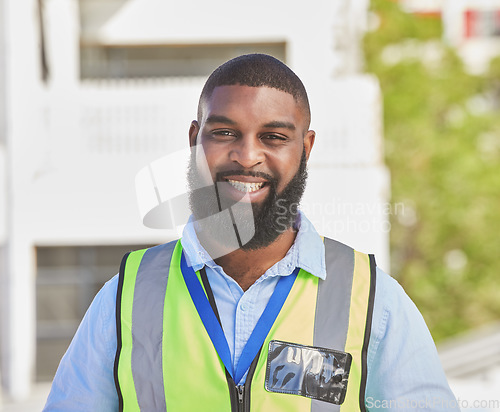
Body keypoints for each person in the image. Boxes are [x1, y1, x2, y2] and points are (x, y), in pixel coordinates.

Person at [44, 54, 458, 411]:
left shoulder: (373, 303)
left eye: (273, 137)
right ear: (194, 139)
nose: (247, 156)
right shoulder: (123, 300)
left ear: (306, 148)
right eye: (224, 133)